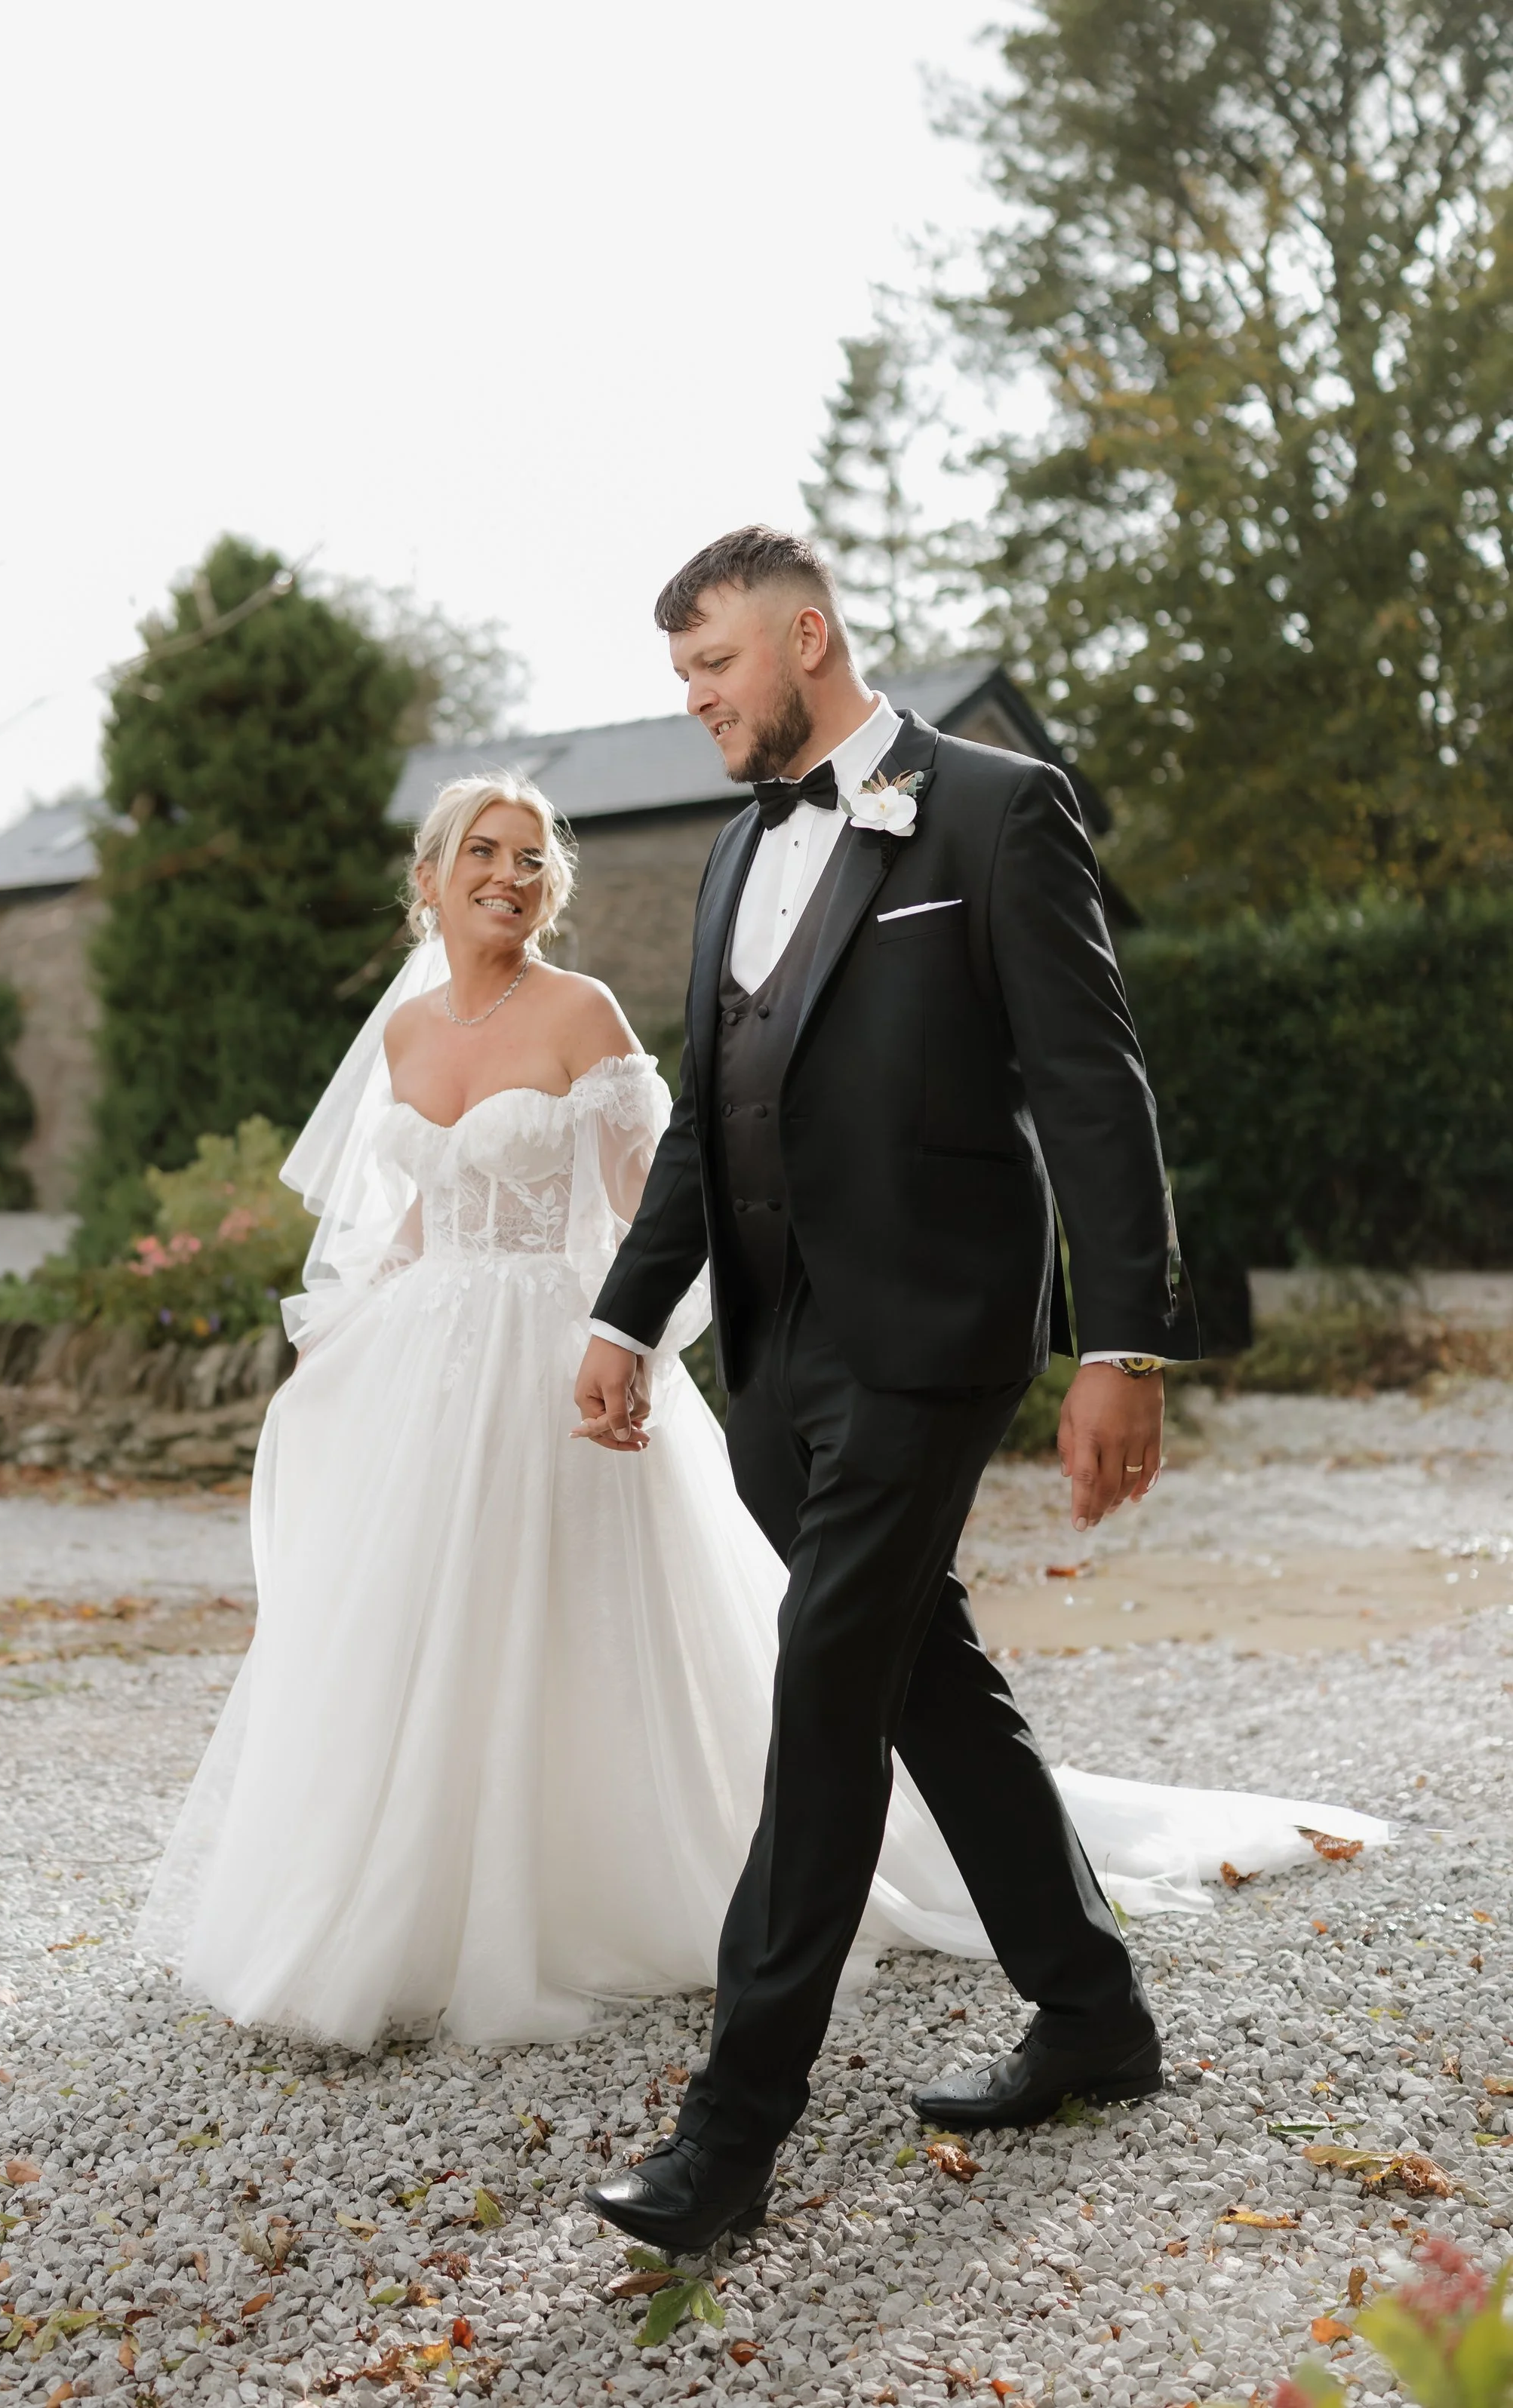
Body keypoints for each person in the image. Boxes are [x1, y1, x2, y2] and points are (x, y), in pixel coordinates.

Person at [137, 742, 1379, 2121]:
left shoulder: (585, 1013)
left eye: (530, 854)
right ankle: (400, 1903)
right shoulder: (403, 1033)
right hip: (432, 1365)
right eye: (481, 853)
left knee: (635, 1634)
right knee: (416, 1631)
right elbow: (411, 1220)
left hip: (564, 1352)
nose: (508, 873)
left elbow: (674, 1199)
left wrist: (629, 1344)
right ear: (427, 881)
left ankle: (673, 1975)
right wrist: (363, 1351)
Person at [572, 524, 1228, 2253]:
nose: (695, 703)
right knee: (915, 1671)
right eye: (680, 679)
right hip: (779, 1358)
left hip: (934, 1339)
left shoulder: (998, 811)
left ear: (803, 637)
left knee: (822, 1689)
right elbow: (705, 1140)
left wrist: (1121, 1343)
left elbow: (1094, 1091)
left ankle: (728, 2139)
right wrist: (626, 1322)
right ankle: (1090, 2014)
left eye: (711, 668)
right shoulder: (728, 855)